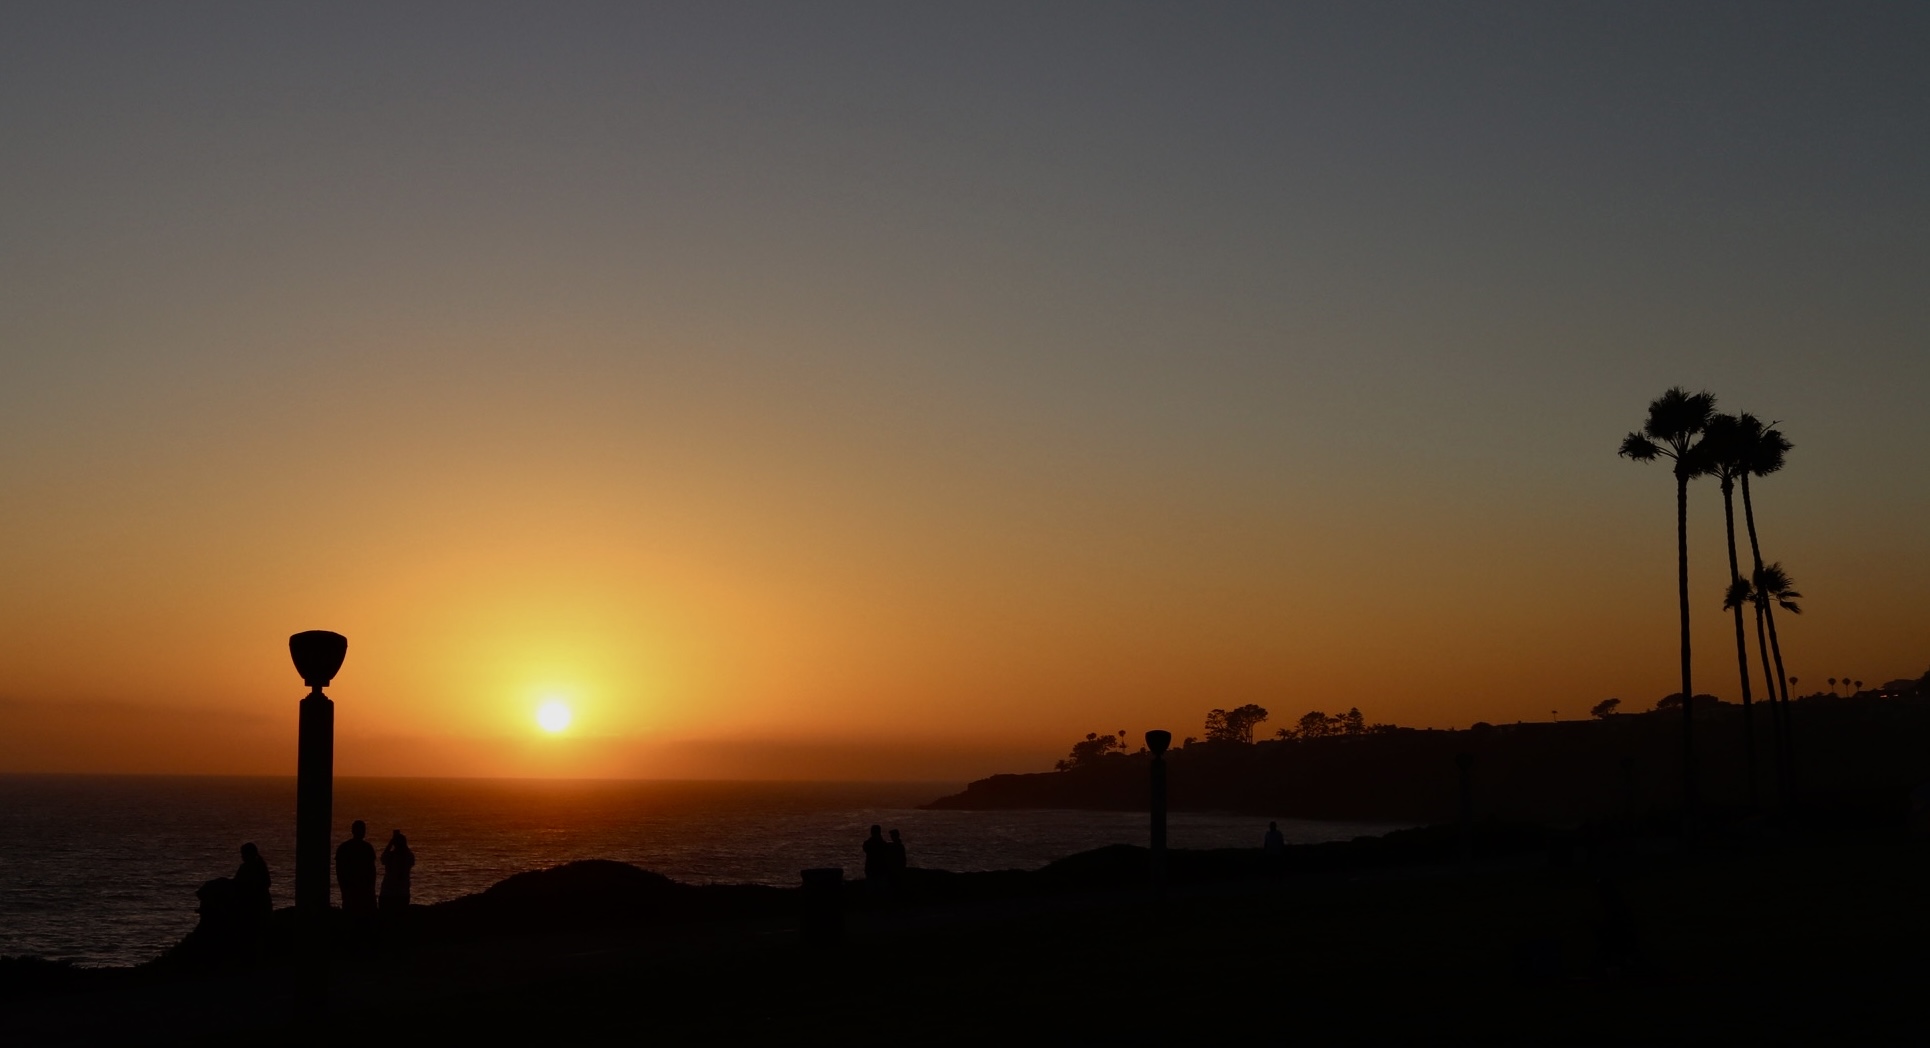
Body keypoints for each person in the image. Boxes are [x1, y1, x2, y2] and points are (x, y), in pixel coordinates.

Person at [336, 820, 378, 916]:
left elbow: (339, 872)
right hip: (360, 891)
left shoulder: (344, 847)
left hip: (353, 891)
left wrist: (343, 890)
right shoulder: (367, 848)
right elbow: (372, 871)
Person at [234, 842, 272, 923]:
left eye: (243, 854)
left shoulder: (246, 867)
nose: (242, 856)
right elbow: (268, 883)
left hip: (253, 904)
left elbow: (236, 883)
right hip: (263, 903)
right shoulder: (261, 865)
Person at [380, 830, 415, 912]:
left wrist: (391, 842)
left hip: (388, 893)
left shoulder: (391, 856)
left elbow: (383, 858)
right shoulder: (408, 857)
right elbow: (411, 858)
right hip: (402, 893)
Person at [862, 825, 889, 890]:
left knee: (871, 887)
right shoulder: (883, 844)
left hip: (871, 868)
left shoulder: (868, 843)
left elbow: (865, 847)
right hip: (880, 869)